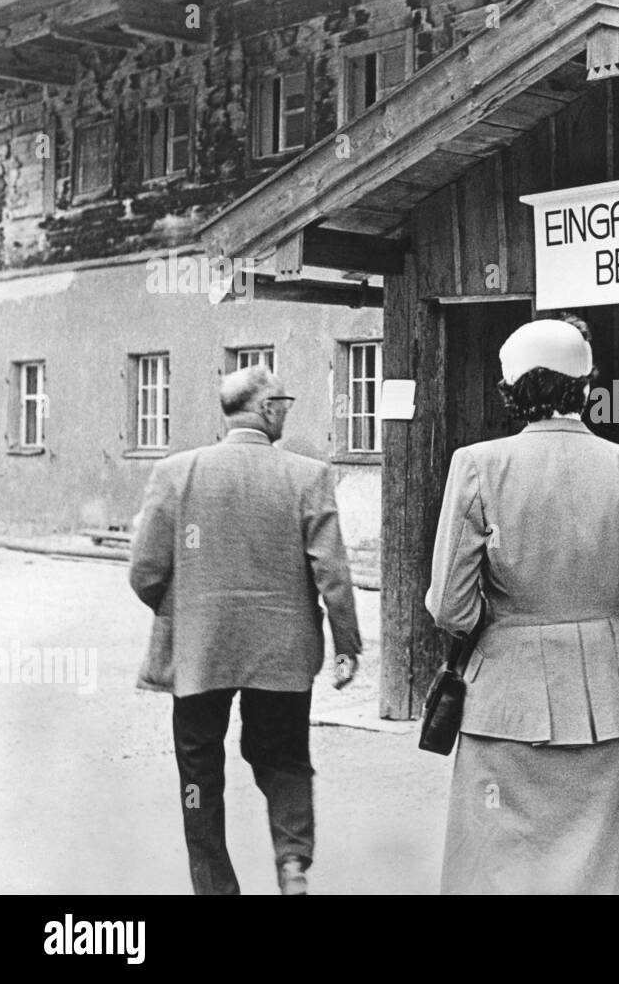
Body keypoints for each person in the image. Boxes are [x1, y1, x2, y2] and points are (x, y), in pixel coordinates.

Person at [426, 317, 619, 895]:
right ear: (587, 387)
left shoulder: (478, 464)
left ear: (511, 392)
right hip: (608, 701)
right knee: (600, 870)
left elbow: (449, 605)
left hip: (503, 702)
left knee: (496, 867)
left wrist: (489, 625)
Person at [128, 365, 361, 895]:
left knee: (199, 772)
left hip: (199, 653)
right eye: (284, 402)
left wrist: (185, 612)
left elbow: (145, 571)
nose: (286, 411)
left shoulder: (176, 473)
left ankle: (214, 888)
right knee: (283, 758)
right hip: (281, 653)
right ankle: (293, 862)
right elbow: (333, 572)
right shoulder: (308, 475)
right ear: (266, 408)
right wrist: (347, 645)